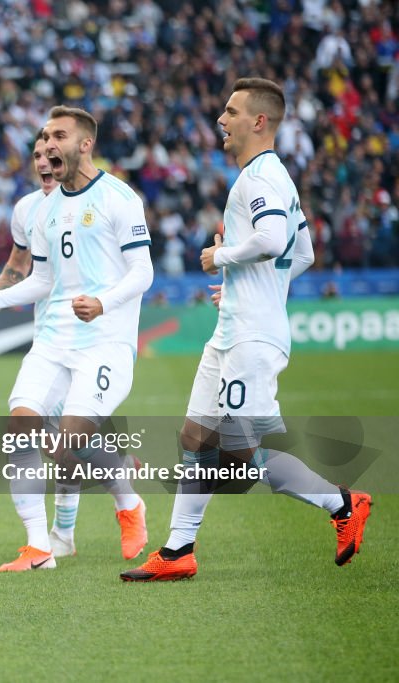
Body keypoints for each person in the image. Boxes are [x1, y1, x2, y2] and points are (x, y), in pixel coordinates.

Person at [121, 78, 372, 582]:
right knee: (196, 436)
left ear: (259, 122)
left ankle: (343, 502)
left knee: (243, 454)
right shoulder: (271, 177)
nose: (221, 119)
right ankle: (177, 552)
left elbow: (273, 239)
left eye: (231, 111)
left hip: (252, 337)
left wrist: (223, 258)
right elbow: (302, 254)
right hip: (234, 328)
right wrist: (243, 285)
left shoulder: (260, 177)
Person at [0, 106, 154, 570]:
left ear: (84, 144)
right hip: (52, 341)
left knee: (66, 443)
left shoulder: (119, 198)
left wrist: (104, 302)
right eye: (44, 137)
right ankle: (40, 547)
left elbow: (143, 270)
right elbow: (42, 280)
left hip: (105, 342)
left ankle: (128, 502)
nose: (47, 144)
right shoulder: (40, 209)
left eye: (58, 136)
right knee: (20, 430)